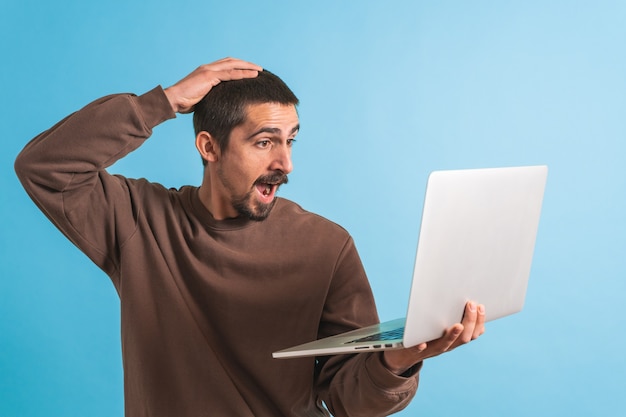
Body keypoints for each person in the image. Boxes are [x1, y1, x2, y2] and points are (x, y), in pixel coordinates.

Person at [15, 57, 485, 417]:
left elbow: (349, 400)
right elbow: (44, 166)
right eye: (264, 142)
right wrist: (165, 102)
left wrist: (395, 363)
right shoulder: (138, 220)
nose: (285, 163)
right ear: (209, 147)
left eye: (291, 140)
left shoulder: (327, 246)